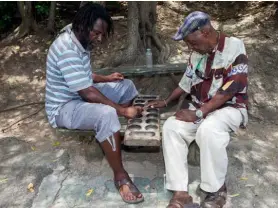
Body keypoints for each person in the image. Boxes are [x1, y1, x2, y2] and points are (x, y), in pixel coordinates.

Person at [45, 3, 144, 204]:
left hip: (79, 95)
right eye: (96, 33)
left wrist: (107, 78)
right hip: (63, 107)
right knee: (106, 113)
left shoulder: (80, 40)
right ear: (83, 25)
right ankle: (120, 176)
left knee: (127, 86)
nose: (99, 39)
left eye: (101, 35)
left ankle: (112, 136)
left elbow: (82, 75)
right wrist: (122, 110)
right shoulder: (66, 47)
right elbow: (87, 92)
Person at [147, 11, 248, 208]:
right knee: (171, 127)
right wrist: (166, 101)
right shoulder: (196, 54)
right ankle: (180, 193)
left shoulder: (234, 46)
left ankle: (215, 190)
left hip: (229, 108)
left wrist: (199, 113)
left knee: (209, 130)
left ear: (206, 32)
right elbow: (186, 83)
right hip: (199, 109)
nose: (190, 47)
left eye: (192, 43)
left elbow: (231, 89)